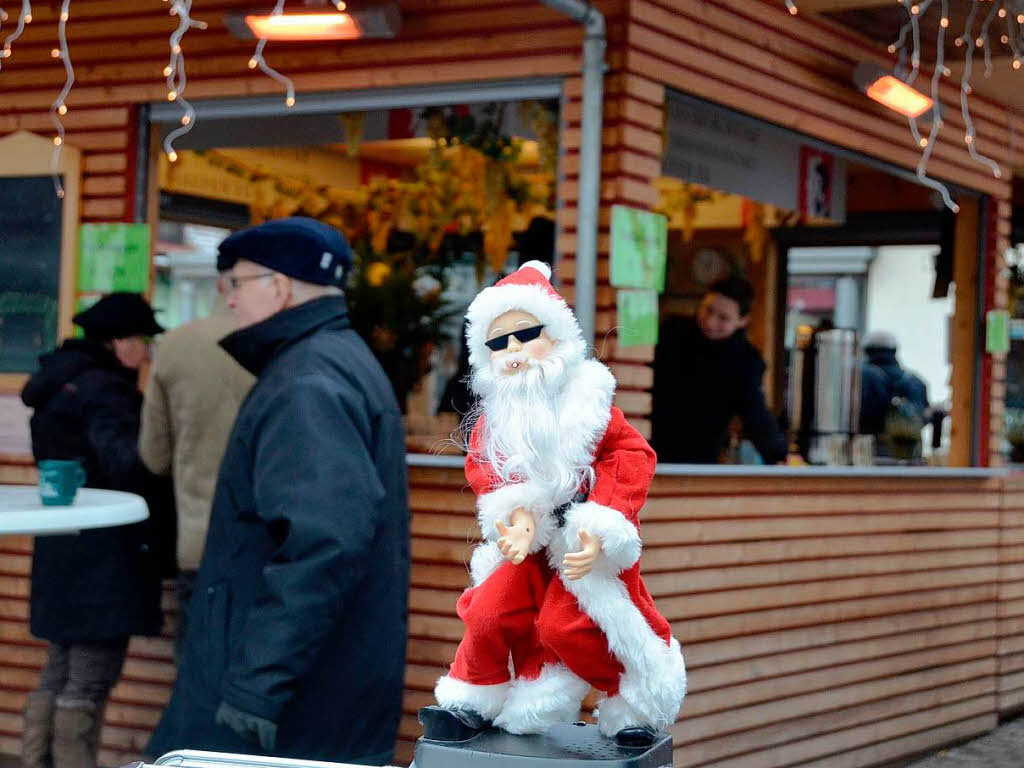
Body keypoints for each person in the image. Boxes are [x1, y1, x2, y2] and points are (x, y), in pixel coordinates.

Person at [146, 217, 410, 766]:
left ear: (280, 287)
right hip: (312, 688)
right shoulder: (330, 360)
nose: (230, 301)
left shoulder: (307, 381)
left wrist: (254, 688)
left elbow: (325, 543)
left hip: (285, 704)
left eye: (236, 284)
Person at [419, 261, 686, 746]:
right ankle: (473, 697)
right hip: (526, 541)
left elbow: (631, 455)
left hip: (581, 542)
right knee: (489, 609)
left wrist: (599, 518)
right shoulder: (494, 418)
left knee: (568, 626)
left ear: (557, 335)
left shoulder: (591, 403)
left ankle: (634, 700)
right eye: (497, 344)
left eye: (524, 335)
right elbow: (488, 470)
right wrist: (516, 515)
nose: (513, 352)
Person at [20, 292, 171, 768]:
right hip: (105, 560)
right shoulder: (107, 391)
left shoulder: (59, 385)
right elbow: (127, 466)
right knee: (87, 679)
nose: (146, 353)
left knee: (59, 671)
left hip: (63, 548)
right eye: (142, 340)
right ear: (117, 342)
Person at [139, 255, 254, 663]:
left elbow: (153, 455)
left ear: (220, 286)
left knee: (195, 680)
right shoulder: (283, 346)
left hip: (197, 544)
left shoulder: (175, 345)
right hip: (268, 550)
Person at [650, 276, 787, 464]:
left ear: (743, 320)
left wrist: (778, 456)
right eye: (708, 310)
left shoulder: (745, 362)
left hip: (697, 460)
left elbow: (756, 417)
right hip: (647, 443)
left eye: (723, 318)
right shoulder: (672, 332)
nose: (710, 322)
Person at [859, 330, 930, 437]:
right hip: (907, 449)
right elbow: (924, 416)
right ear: (895, 350)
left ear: (866, 350)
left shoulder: (860, 376)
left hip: (867, 447)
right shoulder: (916, 381)